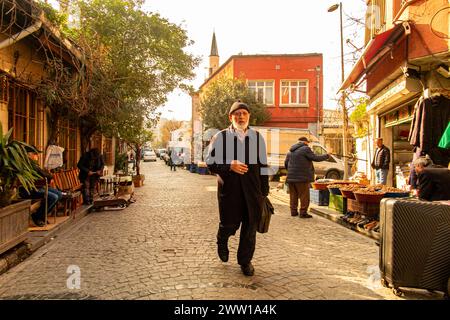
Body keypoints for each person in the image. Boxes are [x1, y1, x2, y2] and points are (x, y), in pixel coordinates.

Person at [206, 100, 269, 276]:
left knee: (250, 229)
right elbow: (210, 163)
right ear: (231, 117)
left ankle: (245, 261)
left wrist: (264, 192)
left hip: (253, 192)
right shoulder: (221, 137)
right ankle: (222, 239)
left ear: (248, 116)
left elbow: (263, 165)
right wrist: (229, 165)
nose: (241, 117)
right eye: (237, 114)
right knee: (229, 224)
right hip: (230, 192)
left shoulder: (257, 137)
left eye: (244, 113)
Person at [284, 137, 329, 218]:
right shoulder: (305, 149)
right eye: (308, 143)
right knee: (304, 196)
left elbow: (286, 163)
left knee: (293, 195)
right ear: (305, 142)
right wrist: (327, 155)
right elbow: (315, 158)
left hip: (291, 177)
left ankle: (293, 211)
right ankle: (303, 212)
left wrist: (291, 172)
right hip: (302, 178)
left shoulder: (290, 150)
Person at [18, 147, 63, 227]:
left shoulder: (33, 164)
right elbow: (43, 173)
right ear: (29, 155)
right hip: (29, 190)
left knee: (59, 194)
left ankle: (42, 215)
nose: (37, 156)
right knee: (53, 197)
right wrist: (50, 177)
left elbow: (42, 173)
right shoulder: (28, 164)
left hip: (38, 187)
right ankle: (38, 216)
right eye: (35, 154)